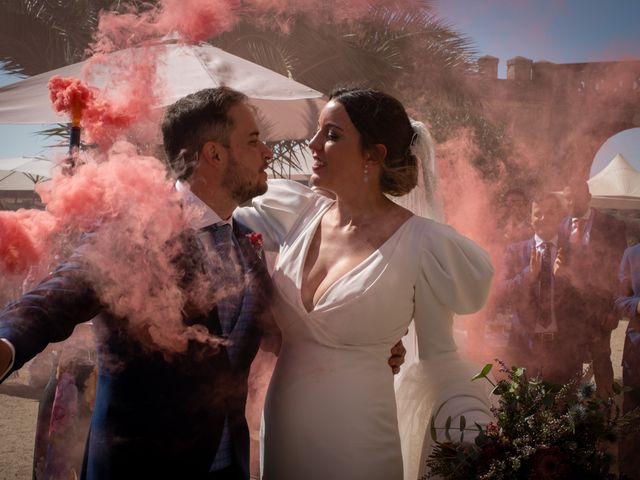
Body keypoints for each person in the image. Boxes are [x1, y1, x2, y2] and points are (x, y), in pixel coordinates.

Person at [0, 87, 405, 480]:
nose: (267, 153)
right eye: (253, 141)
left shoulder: (245, 239)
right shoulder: (137, 230)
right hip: (141, 467)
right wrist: (7, 343)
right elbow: (60, 292)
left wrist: (363, 339)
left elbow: (278, 329)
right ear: (213, 153)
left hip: (229, 465)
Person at [234, 88, 494, 480]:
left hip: (359, 440)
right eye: (318, 131)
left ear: (375, 154)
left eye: (333, 134)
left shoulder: (425, 245)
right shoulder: (296, 214)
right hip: (284, 428)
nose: (314, 144)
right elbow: (211, 215)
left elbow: (437, 359)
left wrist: (470, 432)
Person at [497, 192, 584, 384]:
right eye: (538, 213)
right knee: (523, 412)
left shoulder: (574, 253)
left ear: (561, 217)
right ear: (530, 218)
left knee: (563, 411)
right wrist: (527, 275)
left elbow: (587, 301)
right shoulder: (515, 251)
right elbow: (501, 294)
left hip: (564, 351)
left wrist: (567, 277)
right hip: (524, 349)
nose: (543, 218)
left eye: (550, 213)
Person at [560, 179, 627, 399]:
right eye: (568, 198)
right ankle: (574, 414)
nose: (572, 202)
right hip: (569, 311)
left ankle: (605, 412)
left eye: (577, 196)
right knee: (571, 361)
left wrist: (614, 310)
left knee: (601, 359)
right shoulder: (560, 226)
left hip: (600, 310)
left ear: (588, 197)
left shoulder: (611, 226)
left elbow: (621, 271)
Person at [614, 243, 640, 479]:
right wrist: (637, 305)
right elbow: (619, 300)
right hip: (637, 354)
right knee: (631, 423)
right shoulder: (631, 254)